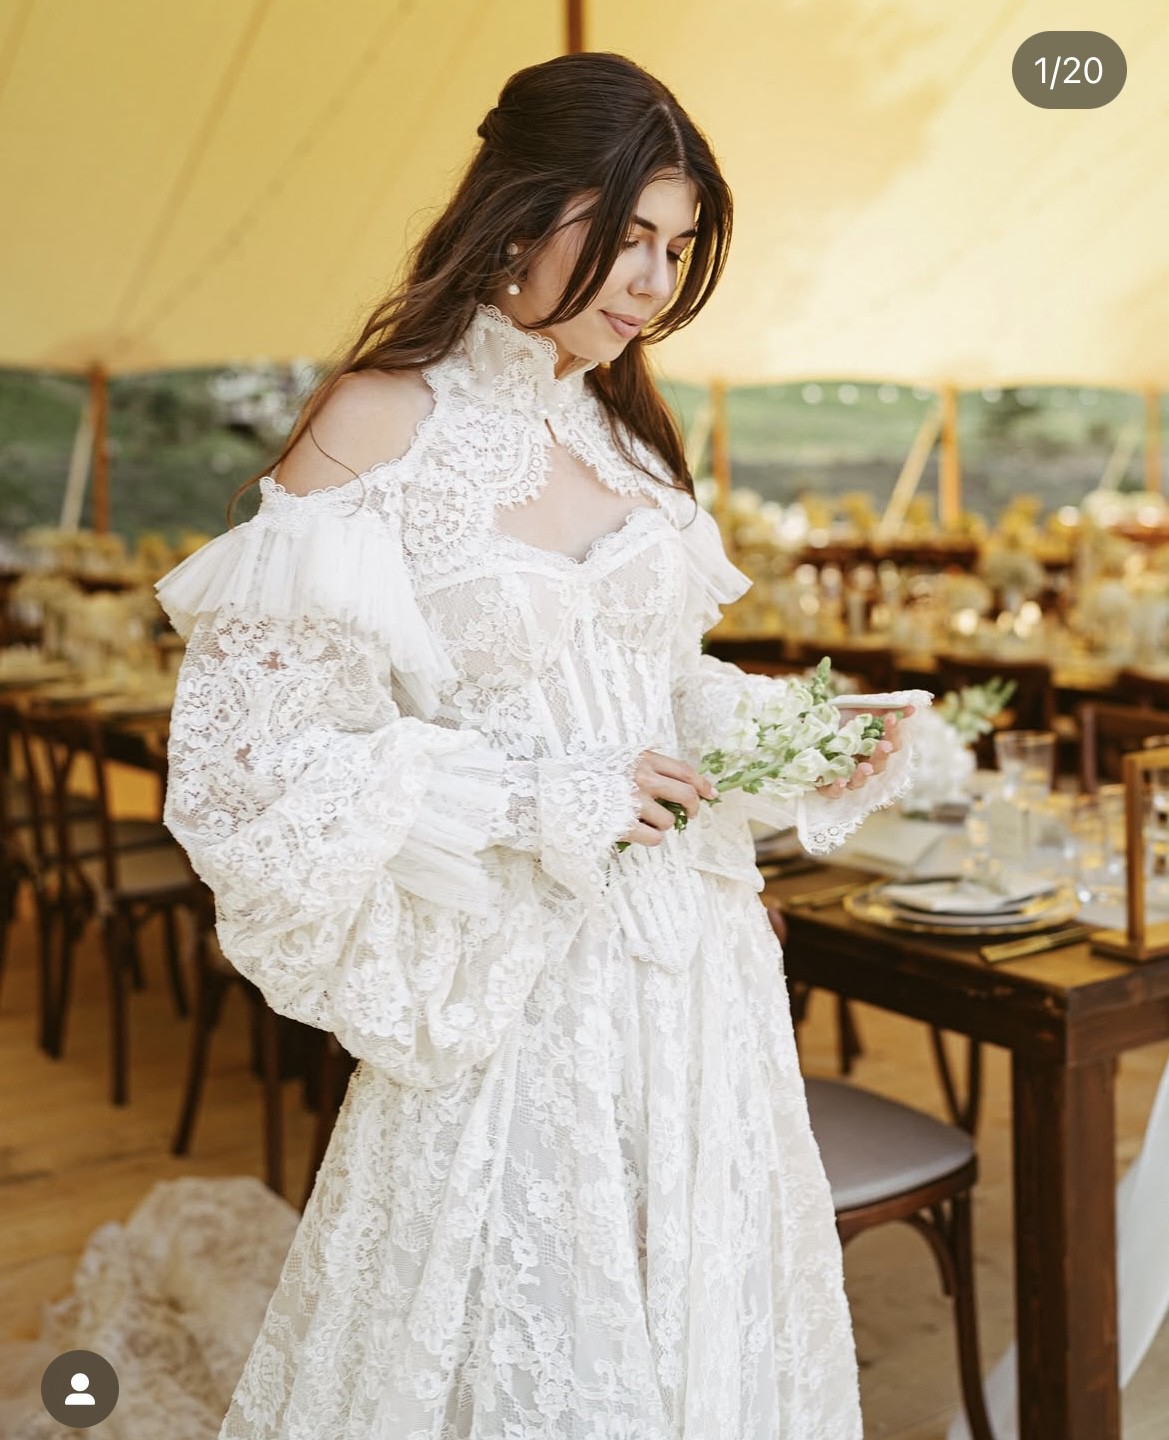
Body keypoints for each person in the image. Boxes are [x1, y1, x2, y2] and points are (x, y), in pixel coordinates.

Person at [156, 51, 919, 1440]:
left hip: (700, 978)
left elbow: (653, 687)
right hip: (518, 995)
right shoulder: (377, 421)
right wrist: (535, 794)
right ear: (519, 212)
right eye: (627, 235)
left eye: (676, 247)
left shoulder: (625, 437)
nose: (653, 281)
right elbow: (249, 764)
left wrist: (788, 732)